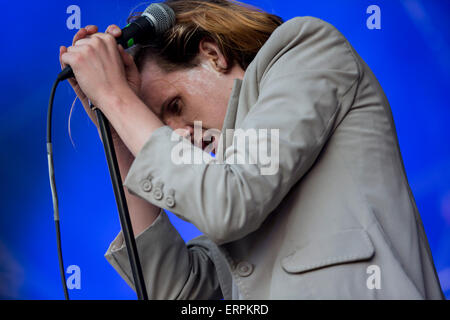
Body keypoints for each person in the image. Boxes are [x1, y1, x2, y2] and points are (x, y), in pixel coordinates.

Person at [59, 0, 444, 299]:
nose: (179, 136)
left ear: (212, 55)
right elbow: (176, 293)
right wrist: (118, 134)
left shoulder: (306, 48)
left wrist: (117, 96)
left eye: (174, 107)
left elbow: (230, 202)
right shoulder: (239, 185)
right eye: (160, 127)